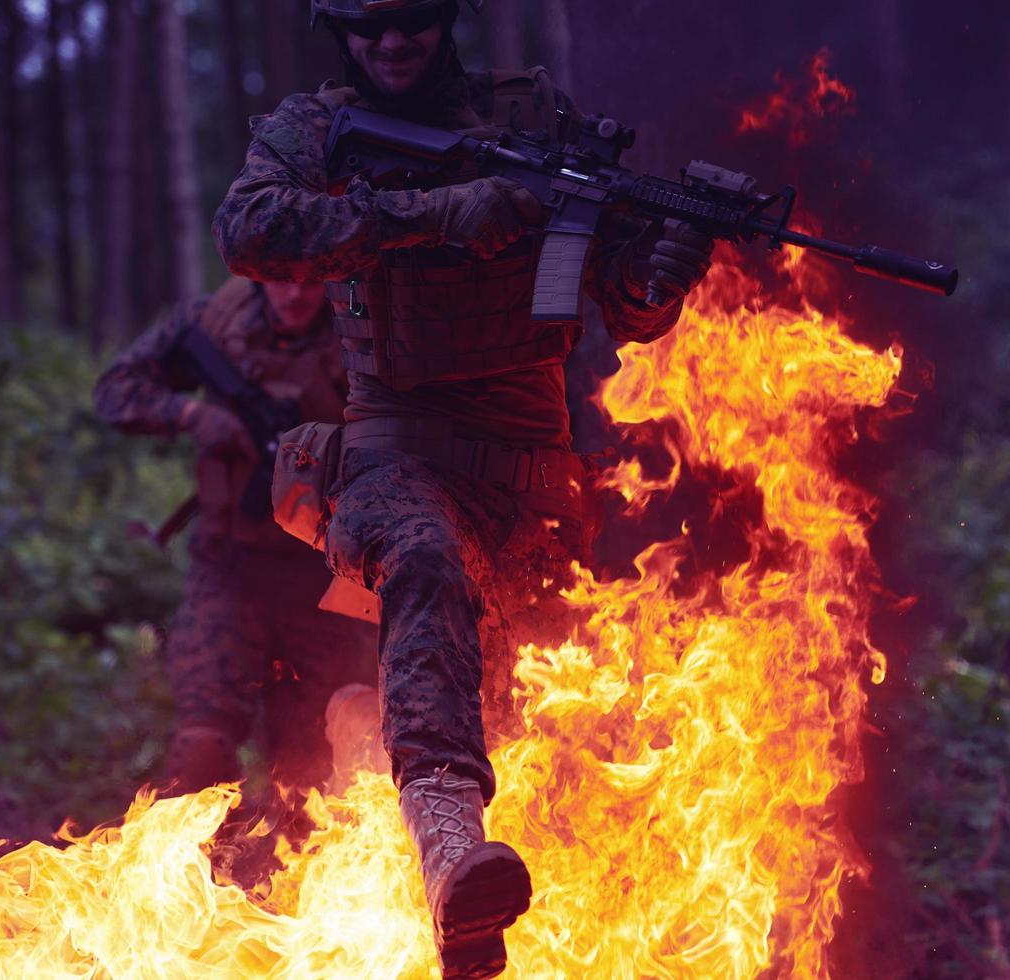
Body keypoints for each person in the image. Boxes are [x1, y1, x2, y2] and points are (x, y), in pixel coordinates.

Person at [212, 1, 713, 975]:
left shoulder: (535, 120)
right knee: (428, 564)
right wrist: (434, 212)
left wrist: (665, 266)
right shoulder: (314, 128)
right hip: (393, 453)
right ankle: (444, 847)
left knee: (534, 718)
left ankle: (451, 876)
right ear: (342, 35)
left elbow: (631, 310)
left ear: (446, 24)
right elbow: (252, 225)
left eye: (411, 23)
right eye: (369, 29)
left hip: (533, 474)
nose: (391, 44)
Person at [93, 276, 380, 806]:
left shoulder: (358, 330)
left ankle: (291, 883)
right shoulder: (214, 325)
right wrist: (190, 414)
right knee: (203, 742)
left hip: (322, 579)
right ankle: (184, 876)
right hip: (229, 571)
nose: (294, 295)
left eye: (308, 279)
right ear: (256, 271)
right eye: (280, 279)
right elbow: (115, 390)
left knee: (312, 770)